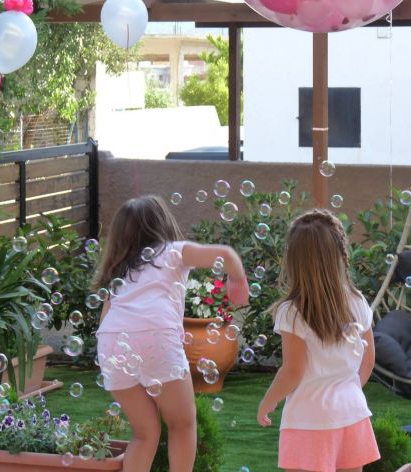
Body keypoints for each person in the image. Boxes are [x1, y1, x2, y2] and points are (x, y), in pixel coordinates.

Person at [94, 195, 249, 472]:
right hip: (156, 335)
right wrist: (238, 281)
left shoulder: (118, 270)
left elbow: (106, 320)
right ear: (163, 223)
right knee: (182, 424)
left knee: (144, 433)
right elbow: (226, 255)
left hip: (111, 343)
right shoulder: (173, 251)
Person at [257, 209, 379, 472]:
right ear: (340, 255)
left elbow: (292, 371)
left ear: (294, 261)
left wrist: (269, 400)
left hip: (309, 420)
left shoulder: (292, 312)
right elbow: (368, 360)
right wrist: (347, 392)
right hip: (353, 413)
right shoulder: (357, 300)